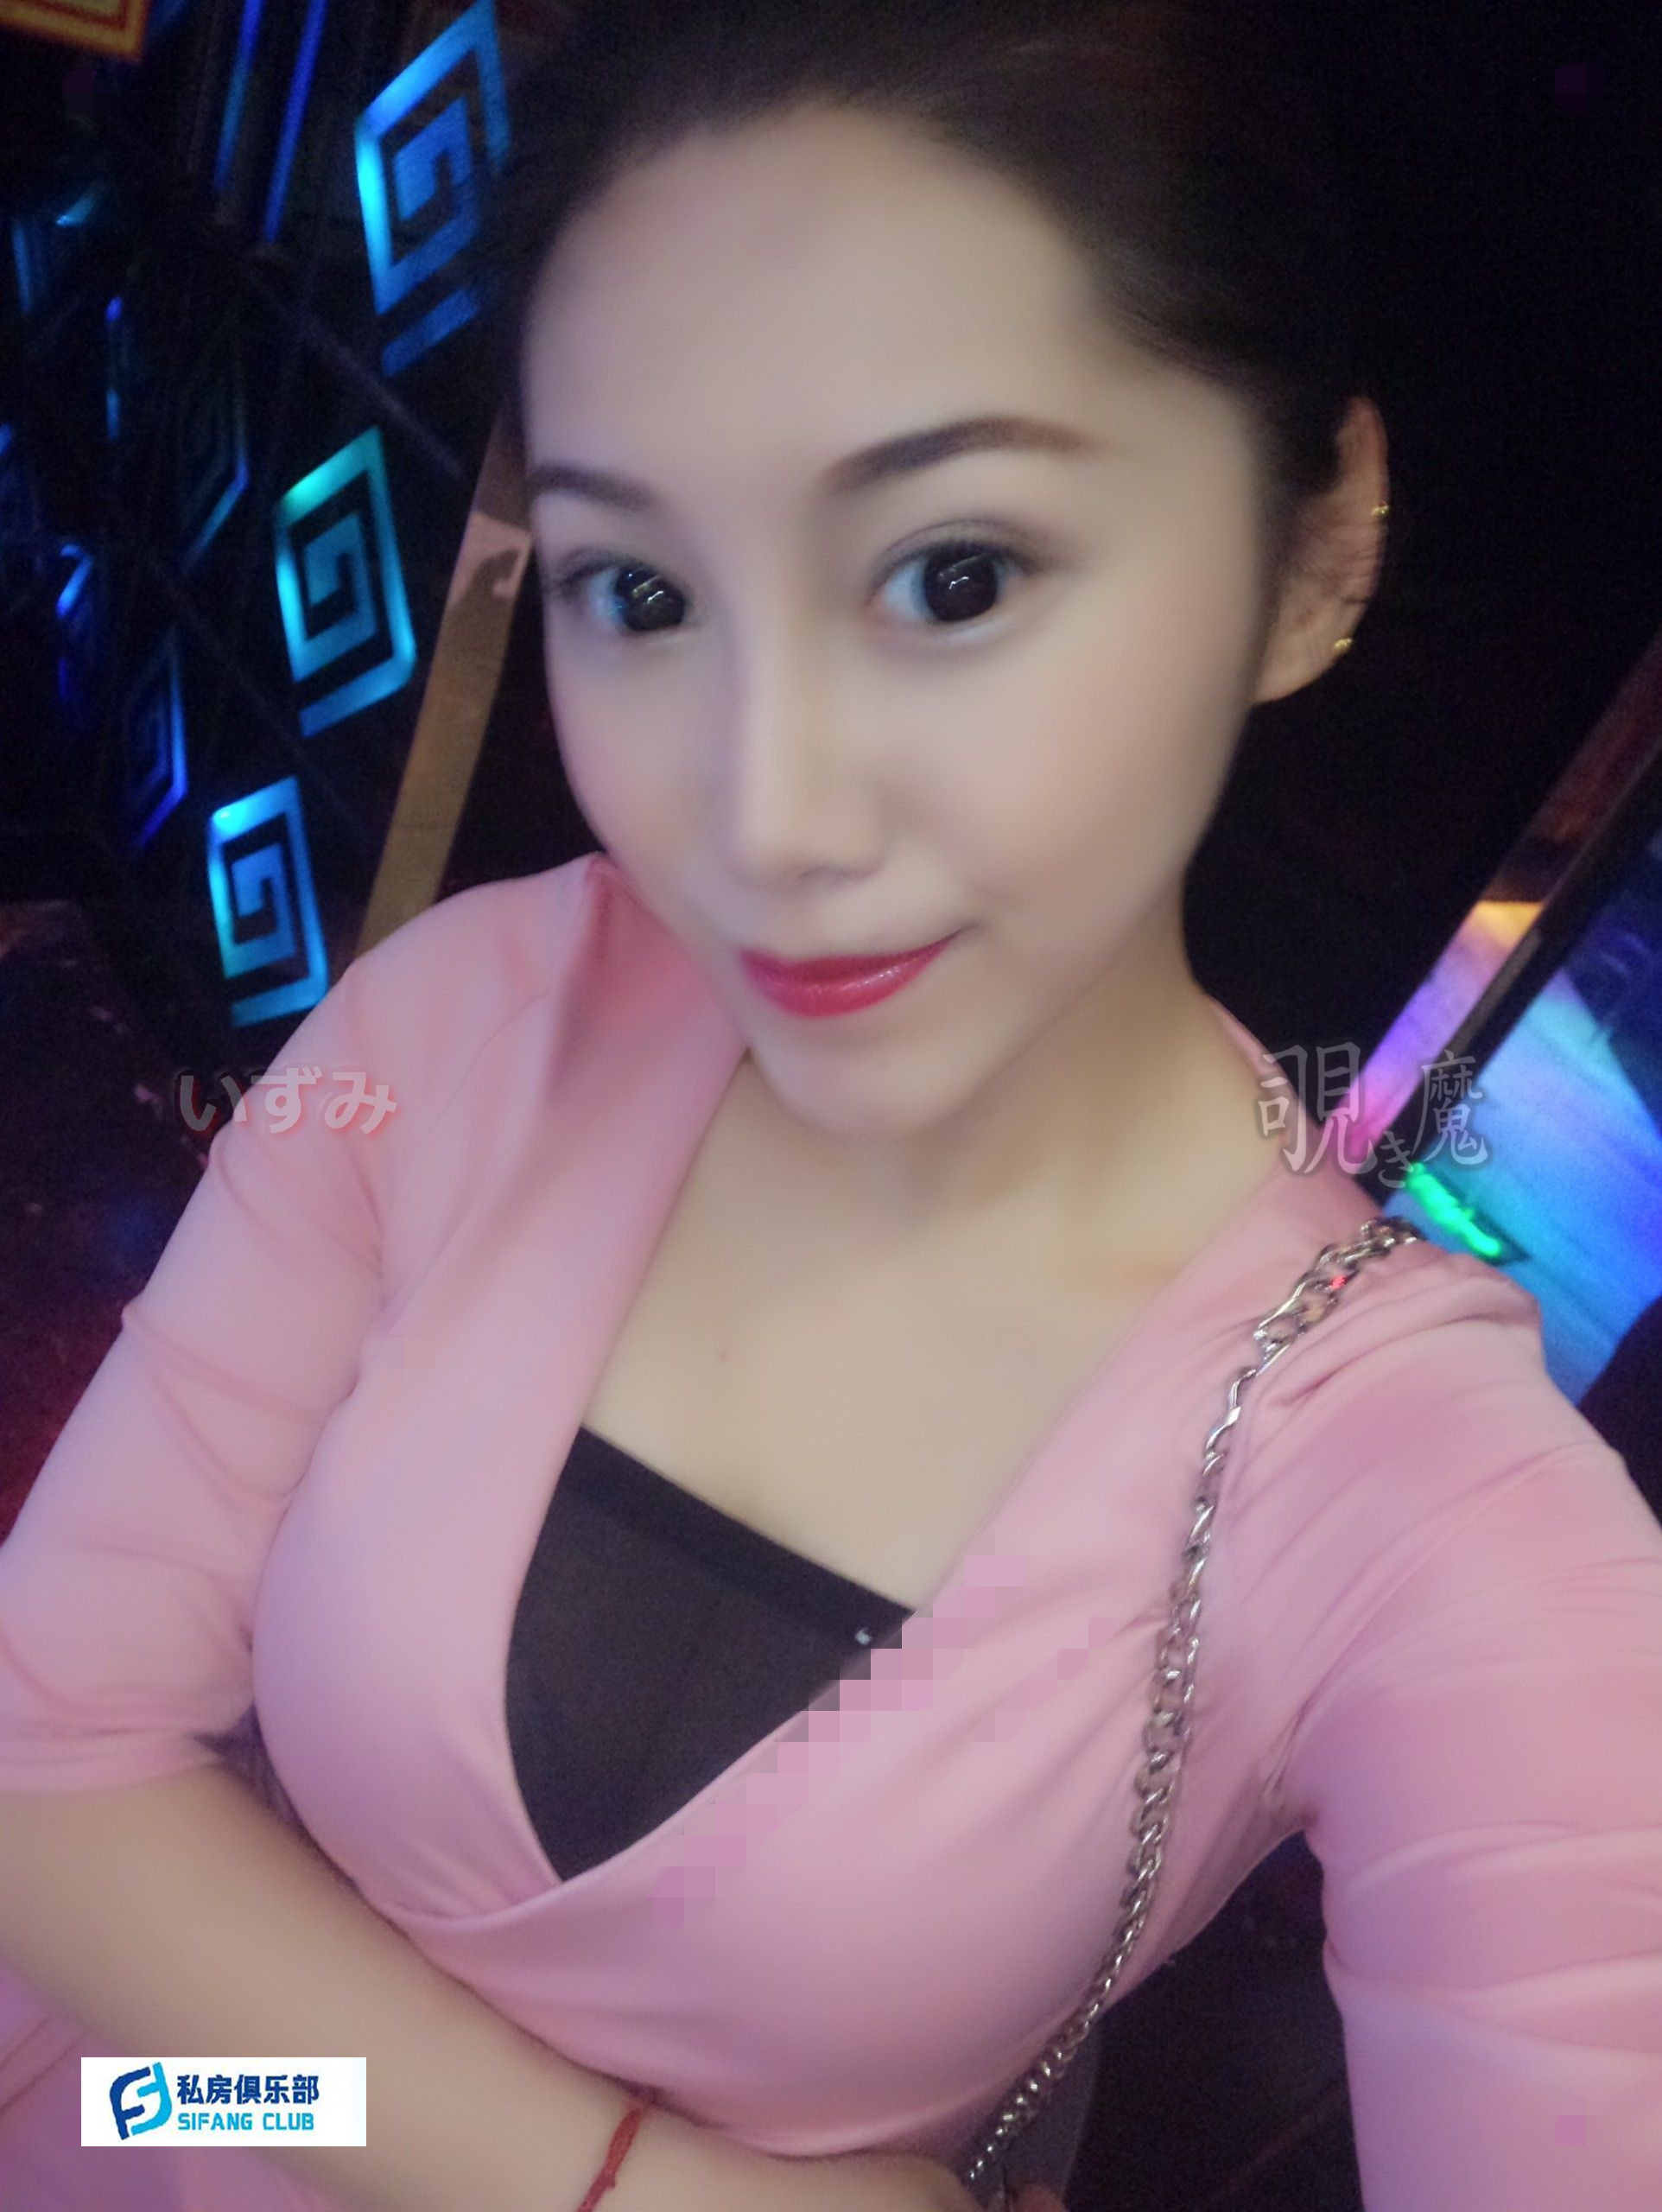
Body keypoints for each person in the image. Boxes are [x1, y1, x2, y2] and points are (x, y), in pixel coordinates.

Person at [1, 3, 1659, 2208]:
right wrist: (626, 2188)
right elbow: (47, 1782)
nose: (762, 814)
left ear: (1313, 548)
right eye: (640, 591)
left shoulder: (1420, 1506)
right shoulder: (478, 1024)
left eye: (951, 574)